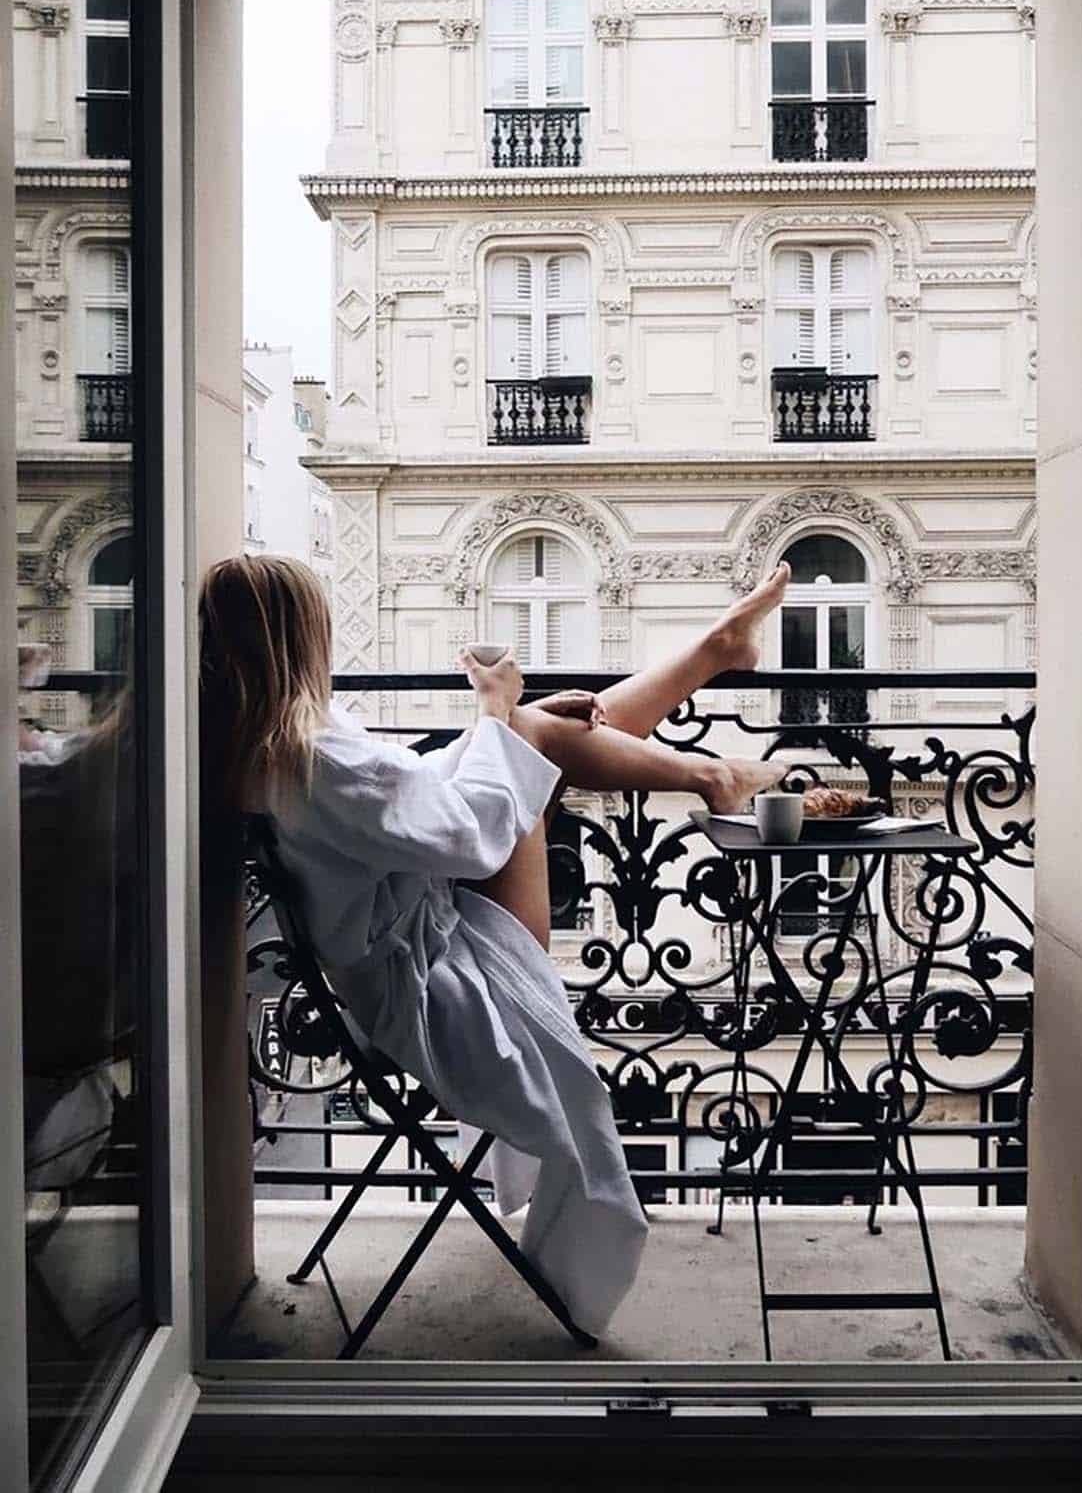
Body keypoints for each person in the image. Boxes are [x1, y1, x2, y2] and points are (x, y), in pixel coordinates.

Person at [199, 553, 791, 1338]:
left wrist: (504, 723)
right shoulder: (318, 756)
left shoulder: (269, 747)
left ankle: (713, 687)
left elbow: (415, 801)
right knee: (533, 730)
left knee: (534, 731)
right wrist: (497, 711)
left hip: (414, 948)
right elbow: (471, 835)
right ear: (304, 638)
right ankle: (714, 760)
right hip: (448, 981)